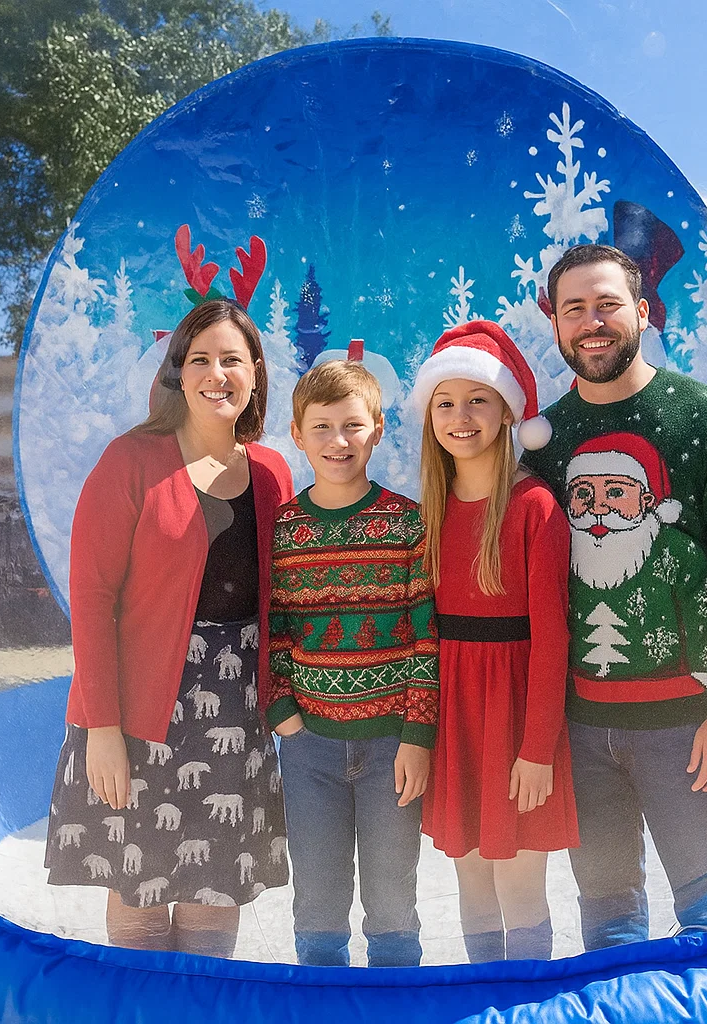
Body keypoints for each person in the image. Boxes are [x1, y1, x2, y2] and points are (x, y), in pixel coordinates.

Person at [520, 244, 707, 950]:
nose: (591, 322)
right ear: (556, 326)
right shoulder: (542, 445)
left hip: (687, 731)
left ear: (641, 311)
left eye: (606, 304)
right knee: (607, 915)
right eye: (574, 309)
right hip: (580, 731)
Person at [44, 299, 291, 958]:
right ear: (178, 372)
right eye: (202, 358)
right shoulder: (129, 460)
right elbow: (92, 599)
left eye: (232, 359)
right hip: (139, 715)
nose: (218, 373)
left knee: (216, 895)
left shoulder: (271, 474)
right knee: (141, 899)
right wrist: (102, 730)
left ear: (255, 374)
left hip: (235, 718)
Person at [412, 321, 578, 963]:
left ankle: (529, 999)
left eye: (478, 399)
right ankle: (484, 998)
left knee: (519, 881)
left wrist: (537, 748)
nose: (461, 417)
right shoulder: (427, 508)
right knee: (471, 876)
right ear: (429, 415)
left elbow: (551, 640)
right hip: (455, 716)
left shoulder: (535, 505)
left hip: (515, 717)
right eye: (445, 402)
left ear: (509, 409)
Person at [267, 360, 440, 968]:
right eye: (321, 427)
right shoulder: (285, 530)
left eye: (351, 426)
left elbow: (426, 636)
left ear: (378, 430)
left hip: (391, 746)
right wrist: (283, 709)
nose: (337, 441)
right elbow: (275, 629)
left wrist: (418, 736)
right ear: (297, 434)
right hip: (310, 746)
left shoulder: (406, 524)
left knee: (392, 904)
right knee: (317, 905)